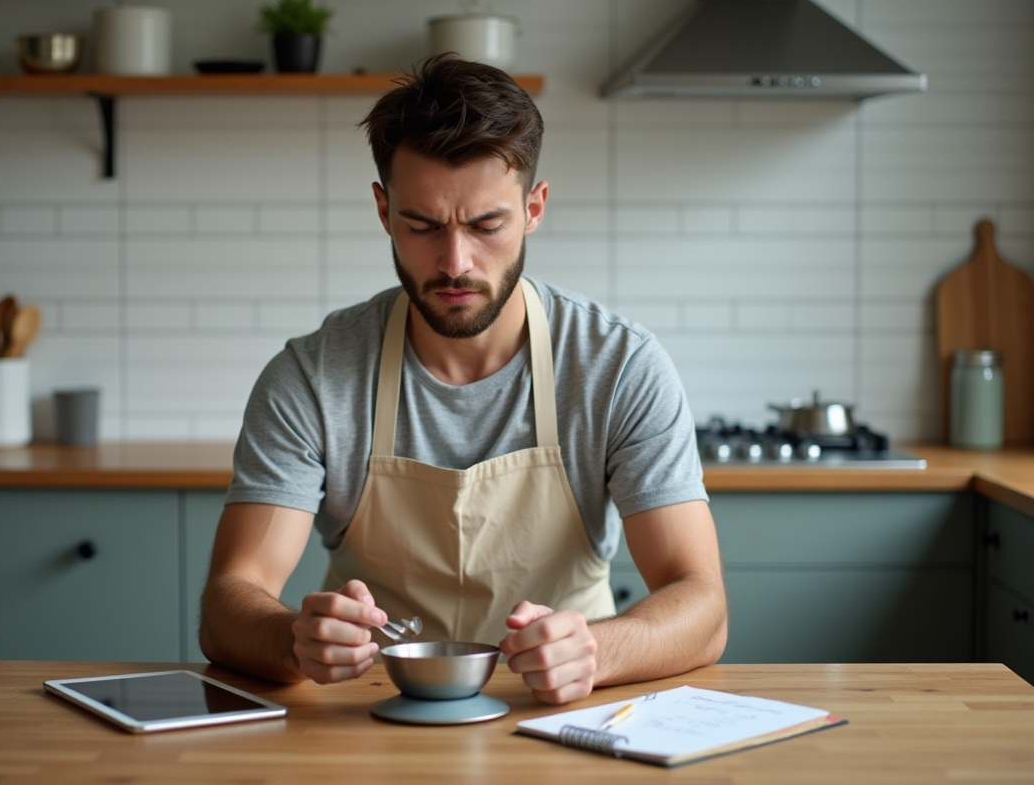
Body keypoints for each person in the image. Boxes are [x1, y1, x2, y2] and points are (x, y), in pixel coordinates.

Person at [200, 54, 727, 705]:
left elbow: (702, 604)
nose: (455, 262)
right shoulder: (312, 377)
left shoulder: (618, 367)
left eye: (486, 225)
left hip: (561, 714)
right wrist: (293, 640)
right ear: (383, 210)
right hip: (366, 722)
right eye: (422, 225)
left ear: (534, 209)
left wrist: (600, 649)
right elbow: (228, 604)